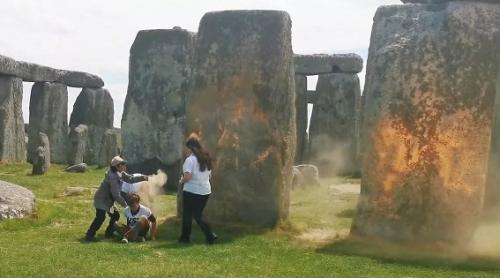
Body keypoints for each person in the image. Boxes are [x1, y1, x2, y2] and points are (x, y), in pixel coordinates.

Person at [84, 156, 148, 242]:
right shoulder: (112, 177)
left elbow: (130, 179)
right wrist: (125, 205)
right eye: (123, 164)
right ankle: (89, 235)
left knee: (115, 215)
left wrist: (142, 178)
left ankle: (109, 233)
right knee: (100, 217)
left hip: (109, 202)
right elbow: (116, 194)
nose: (125, 166)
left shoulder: (120, 173)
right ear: (117, 166)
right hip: (102, 201)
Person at [178, 134, 217, 244]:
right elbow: (209, 175)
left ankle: (185, 237)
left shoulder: (190, 160)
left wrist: (181, 181)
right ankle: (210, 235)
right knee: (197, 215)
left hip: (192, 191)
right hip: (205, 191)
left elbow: (188, 177)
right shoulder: (206, 158)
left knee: (188, 214)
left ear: (190, 148)